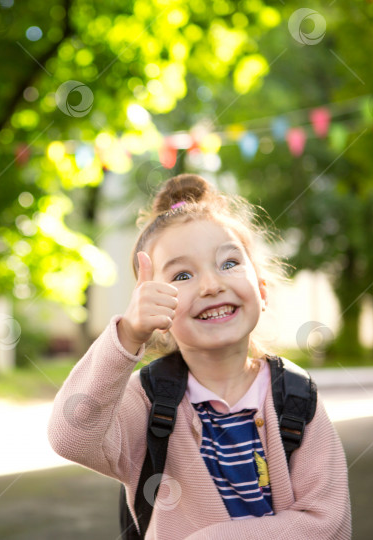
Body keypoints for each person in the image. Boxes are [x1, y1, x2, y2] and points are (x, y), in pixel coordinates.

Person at [47, 173, 351, 539]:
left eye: (228, 264)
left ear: (262, 290)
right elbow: (70, 436)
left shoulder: (297, 398)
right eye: (183, 275)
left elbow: (327, 522)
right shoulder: (147, 402)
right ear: (157, 310)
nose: (211, 285)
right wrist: (127, 334)